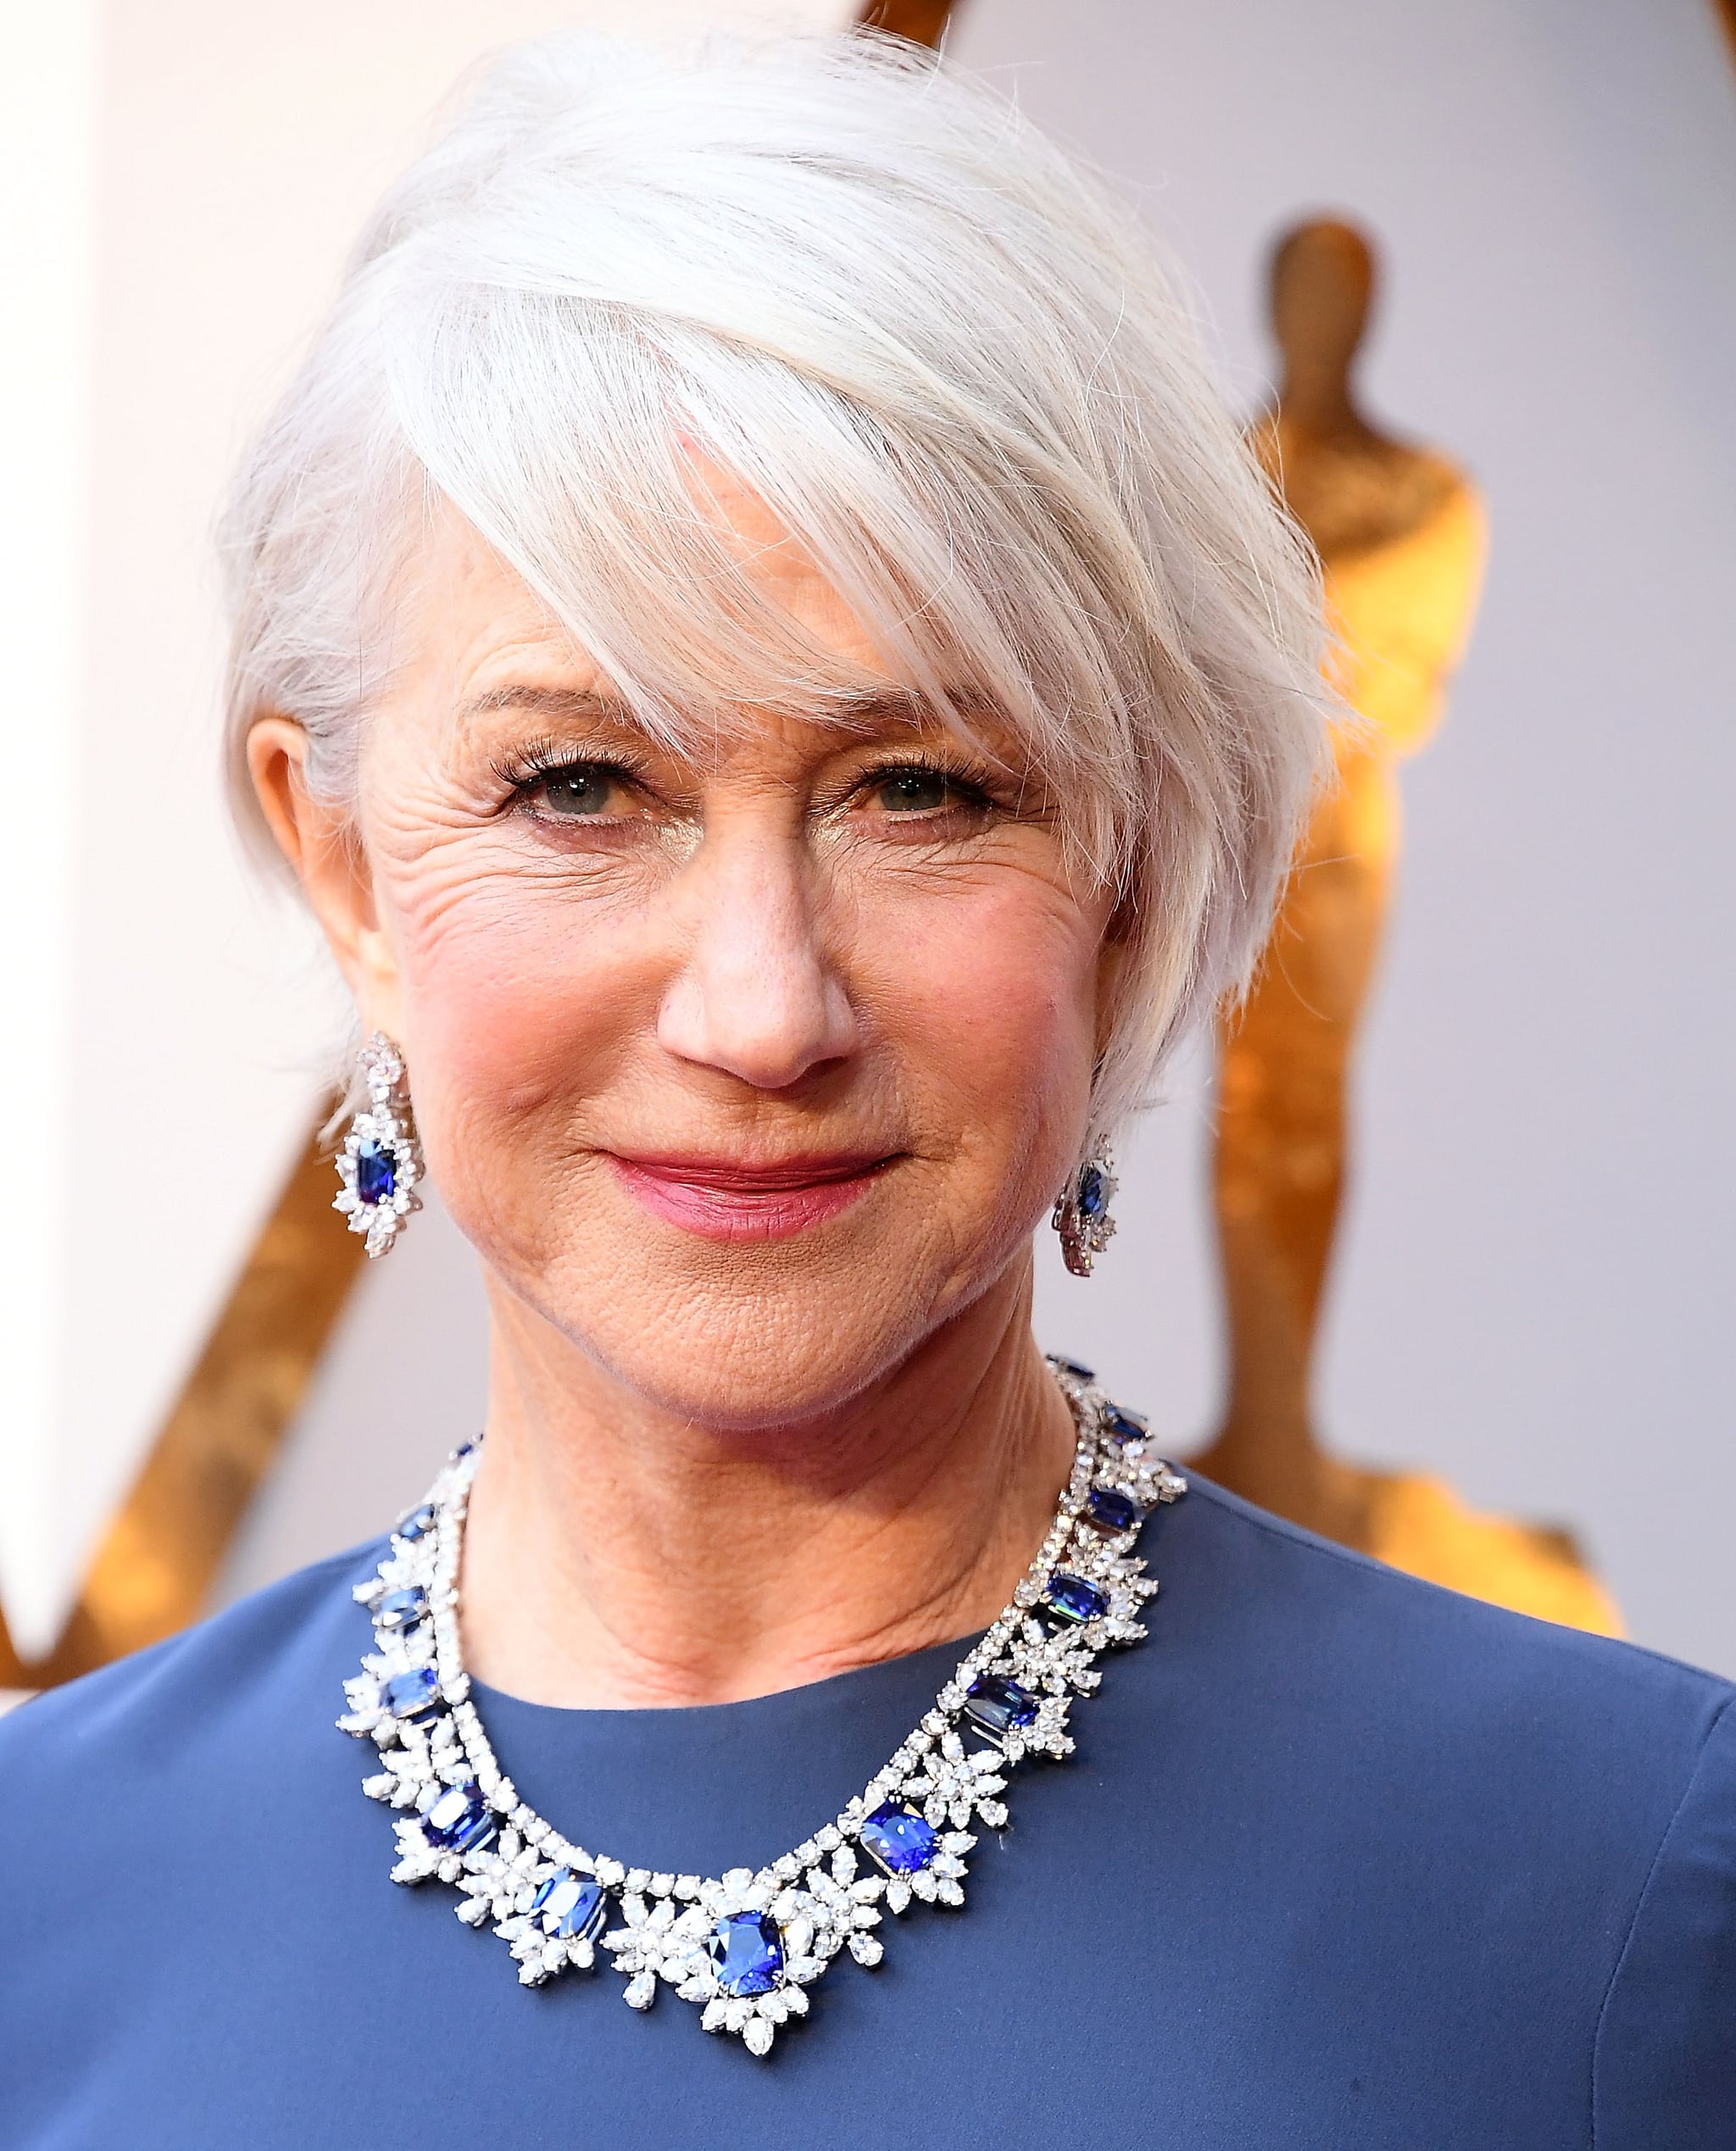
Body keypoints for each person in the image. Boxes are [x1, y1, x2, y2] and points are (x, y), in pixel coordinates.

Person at [1, 31, 1729, 2149]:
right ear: (348, 864)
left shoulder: (1627, 1900)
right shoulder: (36, 1910)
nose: (759, 1008)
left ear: (1136, 877)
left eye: (920, 790)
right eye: (580, 784)